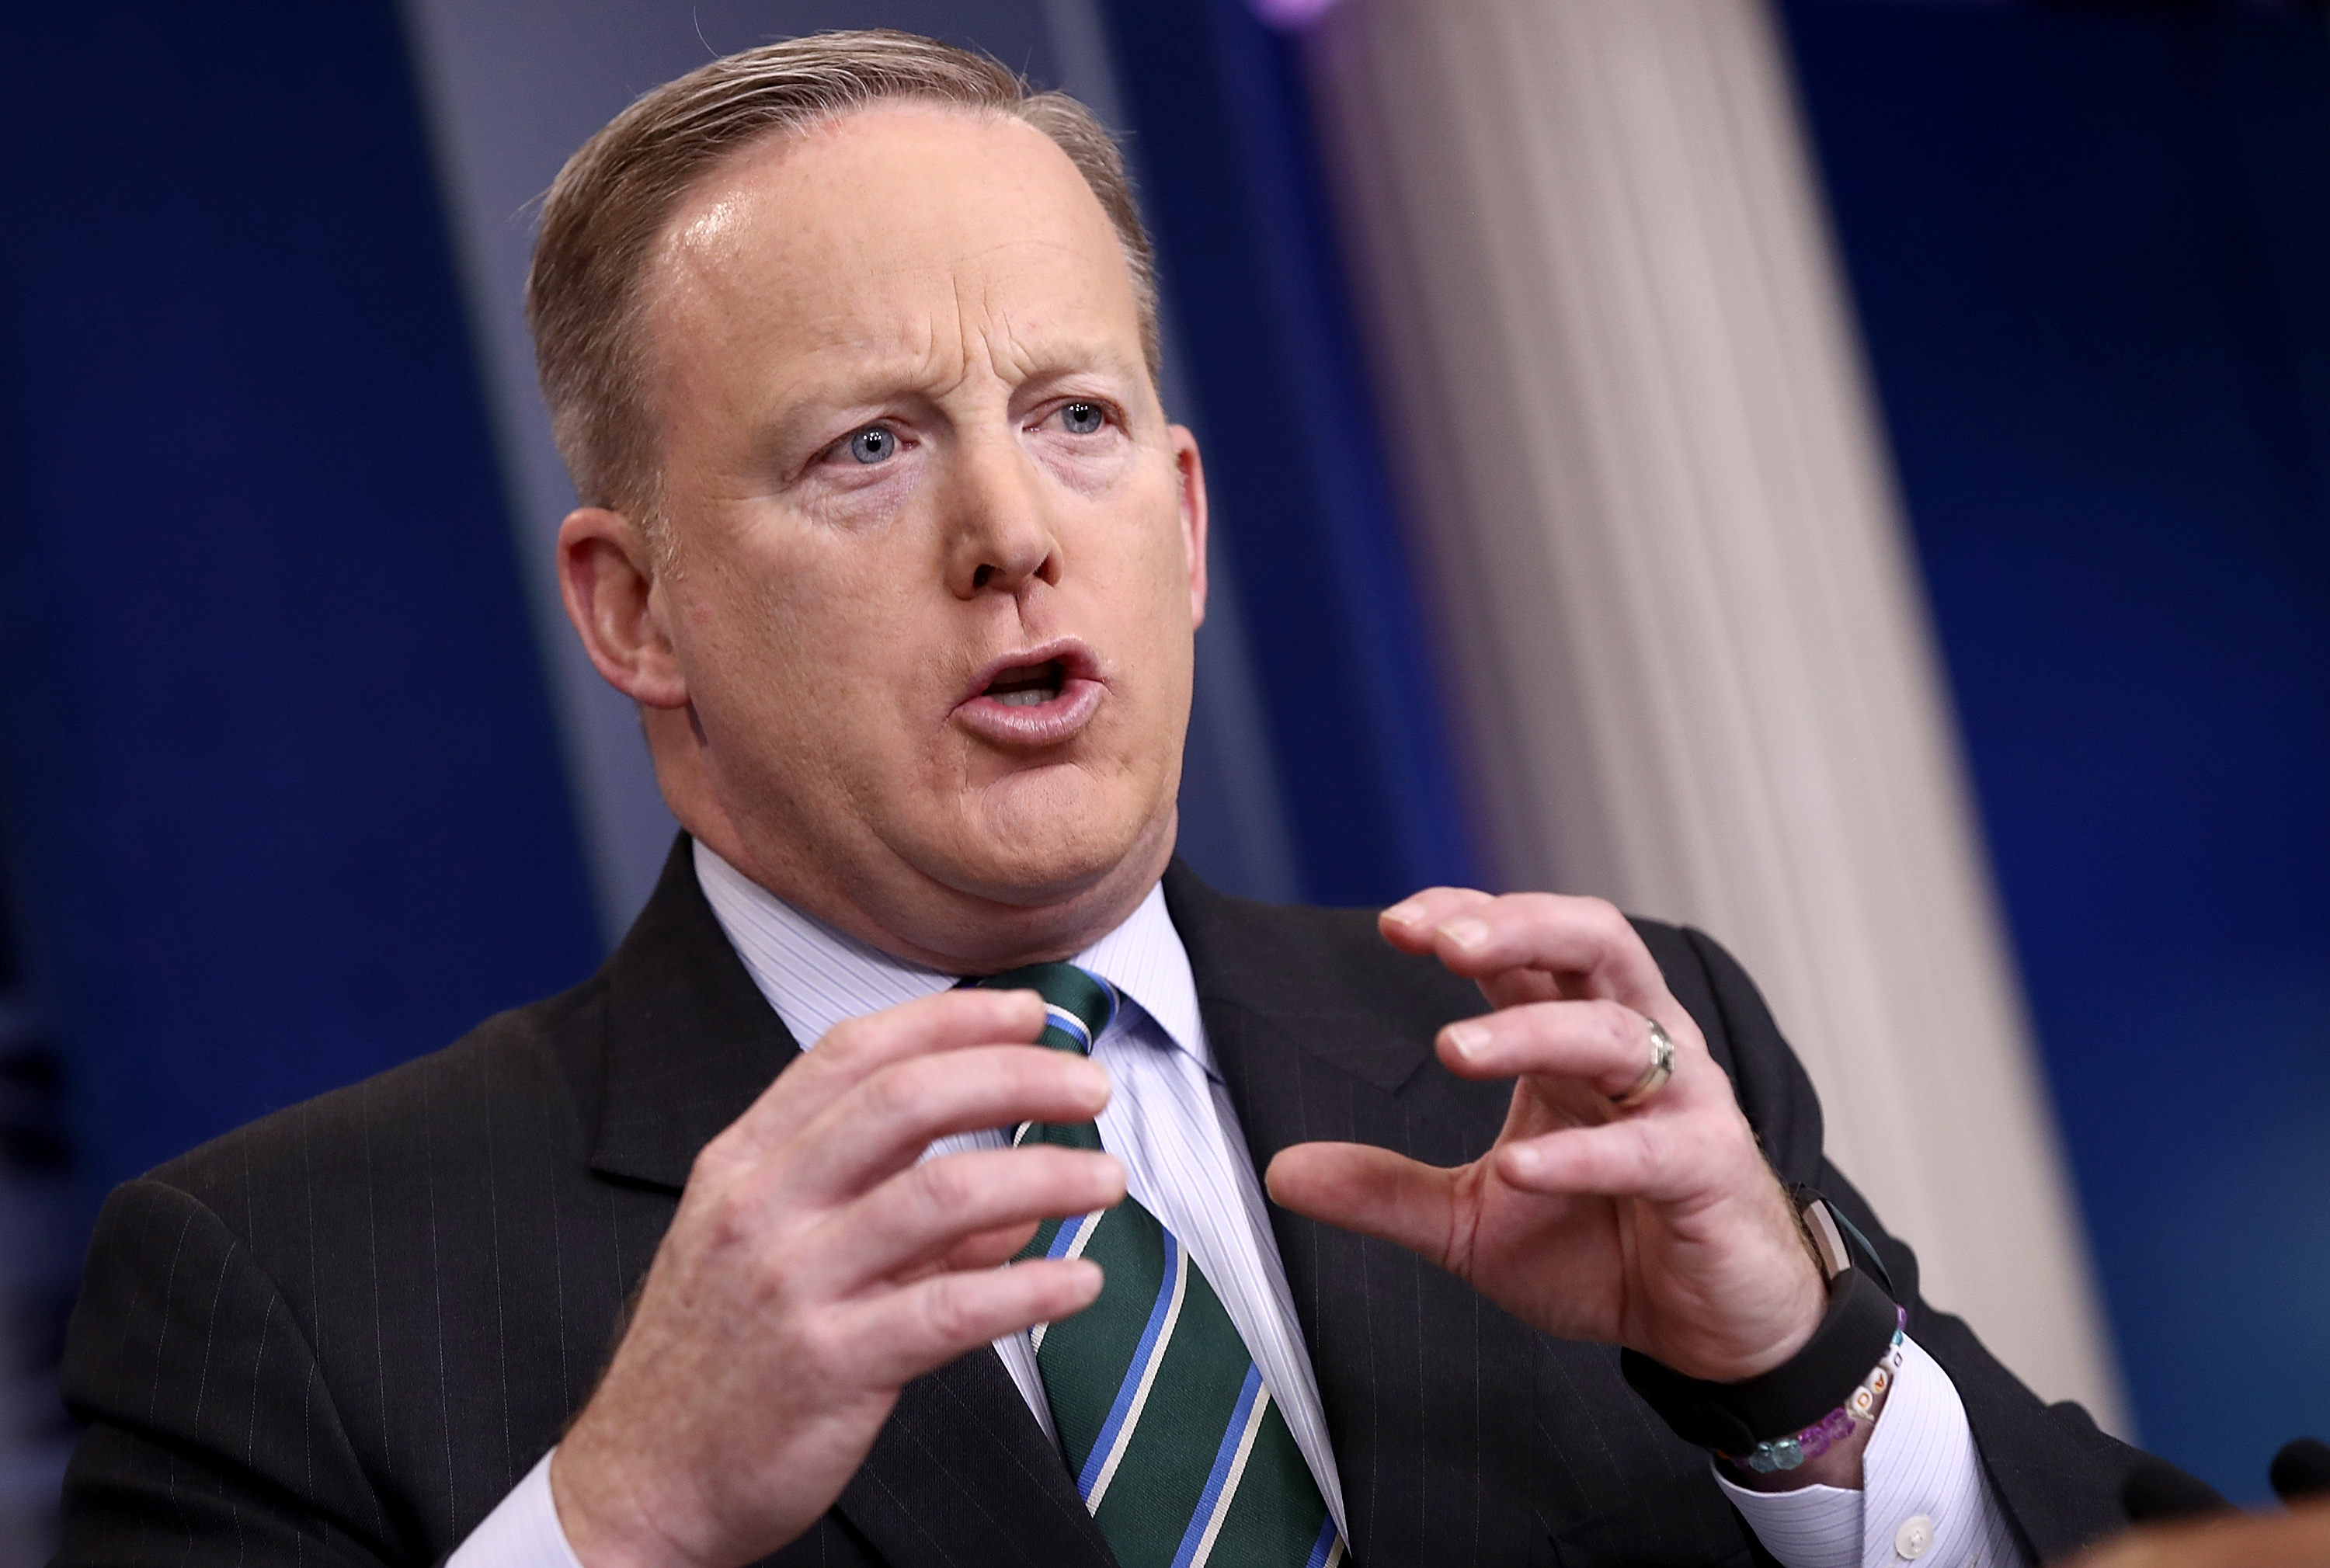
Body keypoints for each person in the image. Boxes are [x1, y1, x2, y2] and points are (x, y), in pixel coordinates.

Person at [55, 31, 2163, 1568]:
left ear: (1184, 520)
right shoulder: (288, 1280)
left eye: (1072, 416)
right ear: (636, 611)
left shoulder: (1560, 1081)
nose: (1007, 532)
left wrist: (1791, 1388)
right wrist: (623, 1519)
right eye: (866, 449)